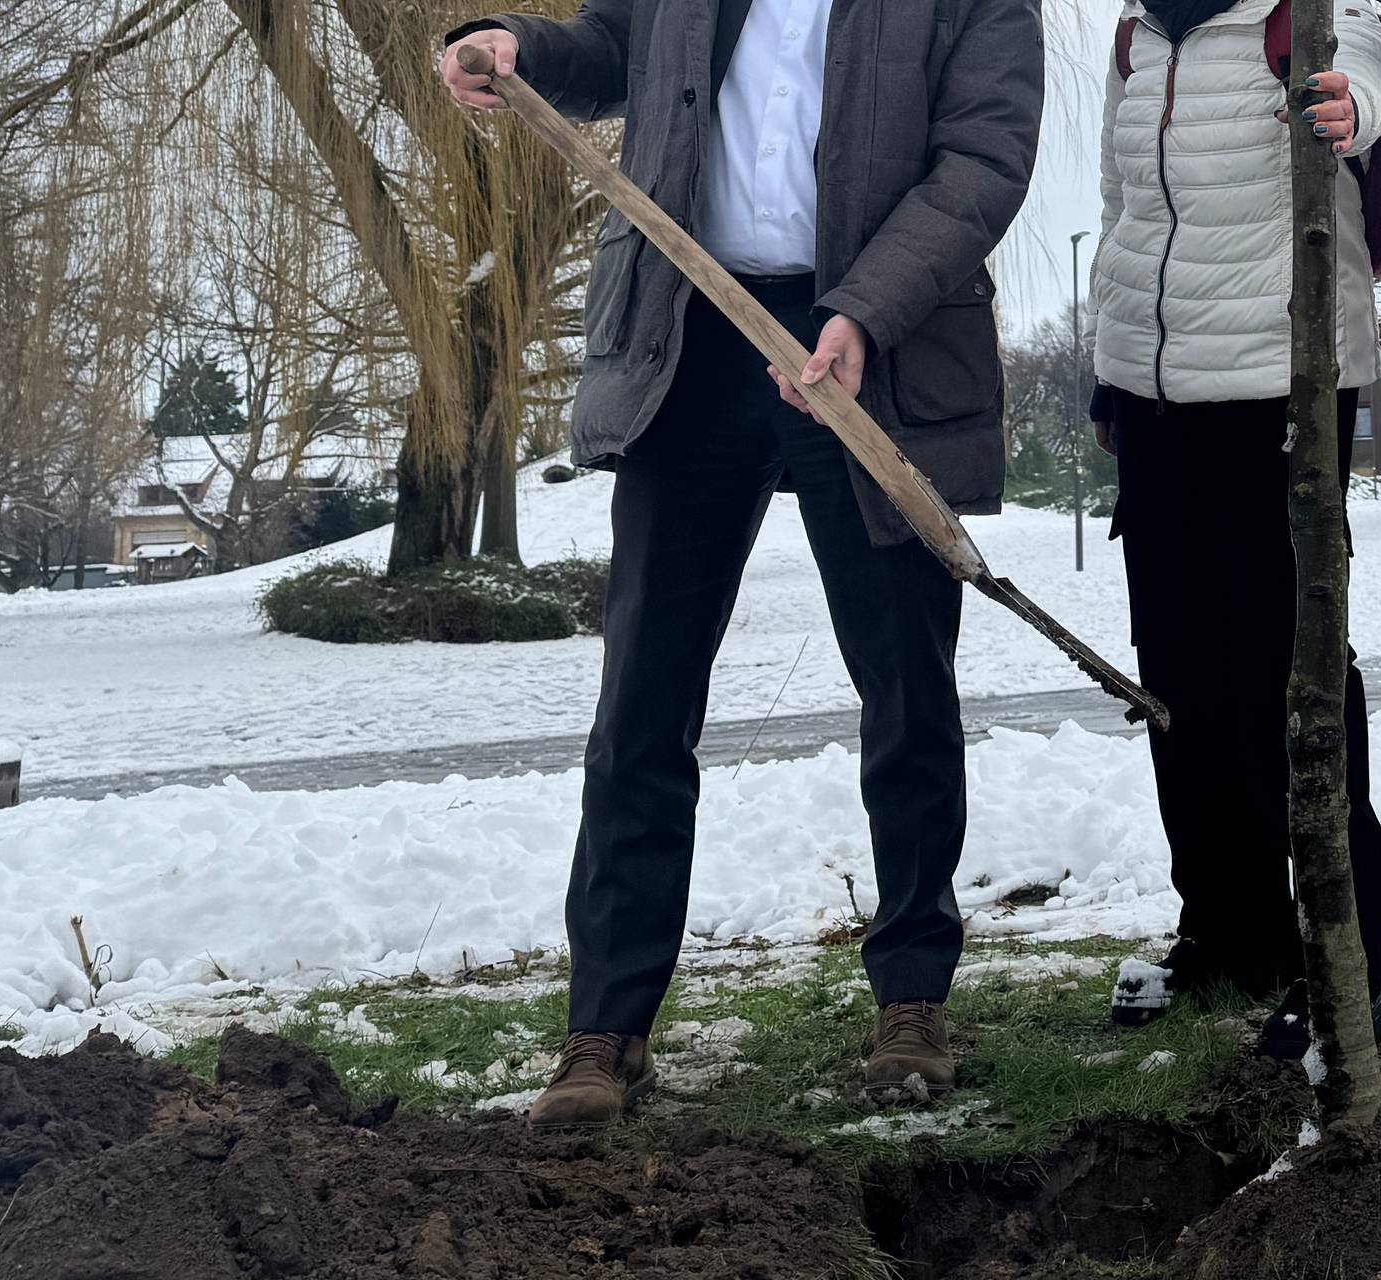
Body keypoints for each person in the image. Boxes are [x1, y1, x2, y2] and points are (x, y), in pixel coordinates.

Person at [437, 0, 1042, 1128]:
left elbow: (984, 157)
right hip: (688, 335)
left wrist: (865, 310)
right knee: (642, 697)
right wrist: (519, 44)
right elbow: (612, 47)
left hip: (874, 348)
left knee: (906, 686)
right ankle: (606, 1027)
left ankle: (912, 996)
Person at [1088, 0, 1381, 1056]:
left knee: (1296, 663)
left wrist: (1350, 107)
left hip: (1284, 384)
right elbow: (1122, 203)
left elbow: (1372, 73)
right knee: (1178, 672)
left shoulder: (1311, 11)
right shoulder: (1137, 36)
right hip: (1154, 390)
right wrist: (1109, 372)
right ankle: (1229, 927)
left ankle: (1344, 954)